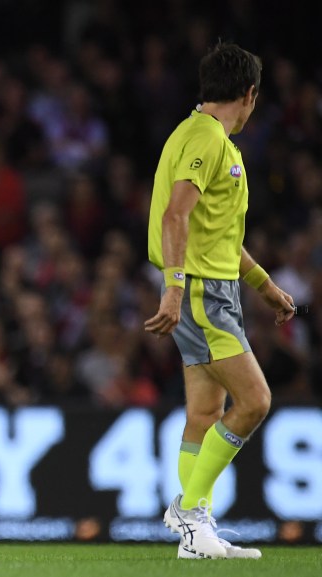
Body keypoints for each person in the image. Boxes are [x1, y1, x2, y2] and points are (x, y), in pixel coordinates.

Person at [144, 41, 294, 560]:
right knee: (255, 401)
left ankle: (196, 535)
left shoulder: (199, 135)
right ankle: (188, 511)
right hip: (201, 291)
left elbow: (218, 234)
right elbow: (175, 216)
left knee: (205, 411)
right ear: (249, 94)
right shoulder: (208, 139)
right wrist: (175, 286)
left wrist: (266, 287)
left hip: (211, 284)